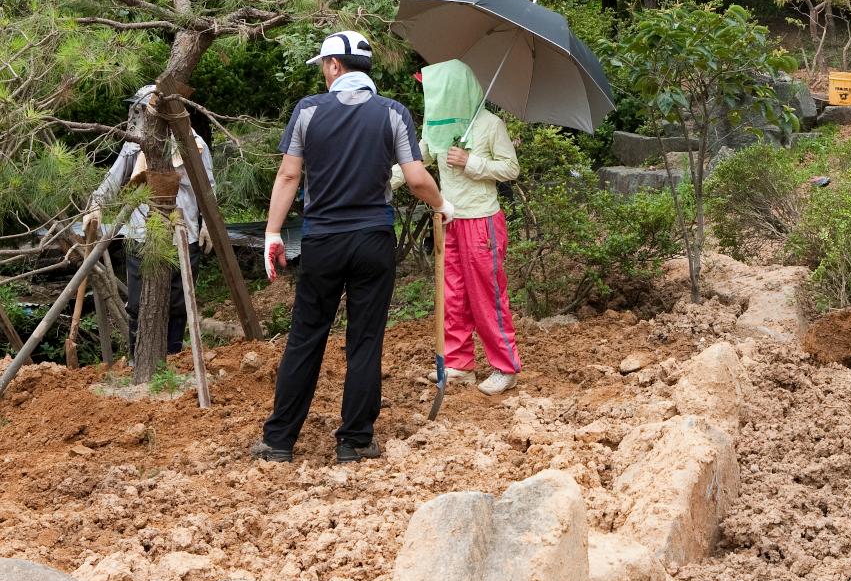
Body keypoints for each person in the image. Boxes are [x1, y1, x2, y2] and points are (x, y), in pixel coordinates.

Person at [252, 31, 453, 464]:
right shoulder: (393, 113)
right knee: (365, 339)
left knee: (306, 336)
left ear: (334, 66)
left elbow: (288, 177)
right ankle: (355, 440)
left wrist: (272, 233)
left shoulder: (307, 111)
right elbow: (416, 179)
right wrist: (443, 204)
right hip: (372, 241)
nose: (324, 73)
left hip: (322, 240)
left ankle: (279, 440)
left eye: (324, 66)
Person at [416, 60, 522, 397]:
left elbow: (511, 168)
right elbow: (420, 158)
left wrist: (471, 163)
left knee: (486, 295)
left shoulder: (490, 125)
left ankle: (505, 367)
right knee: (453, 294)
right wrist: (385, 176)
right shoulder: (436, 124)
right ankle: (459, 362)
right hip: (449, 219)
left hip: (482, 222)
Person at [83, 85, 214, 358]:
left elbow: (208, 189)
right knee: (139, 304)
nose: (139, 115)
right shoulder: (134, 145)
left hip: (183, 233)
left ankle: (173, 359)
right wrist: (96, 204)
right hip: (141, 234)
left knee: (178, 303)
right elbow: (113, 179)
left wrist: (208, 225)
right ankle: (137, 361)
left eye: (143, 110)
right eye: (139, 110)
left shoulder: (194, 145)